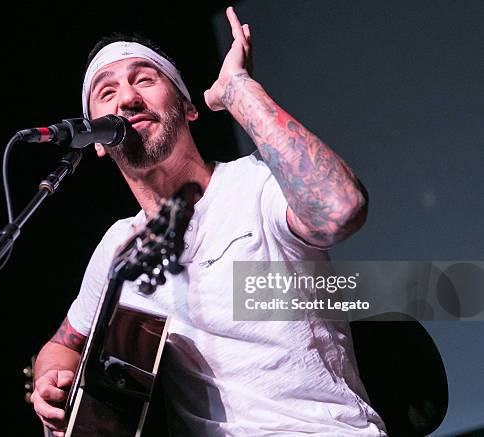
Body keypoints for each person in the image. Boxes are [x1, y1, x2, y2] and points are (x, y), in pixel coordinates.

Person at [31, 6, 387, 437]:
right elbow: (61, 347)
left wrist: (238, 89)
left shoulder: (255, 184)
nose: (126, 98)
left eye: (144, 79)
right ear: (97, 143)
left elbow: (340, 210)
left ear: (188, 106)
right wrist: (50, 382)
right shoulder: (119, 248)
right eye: (106, 93)